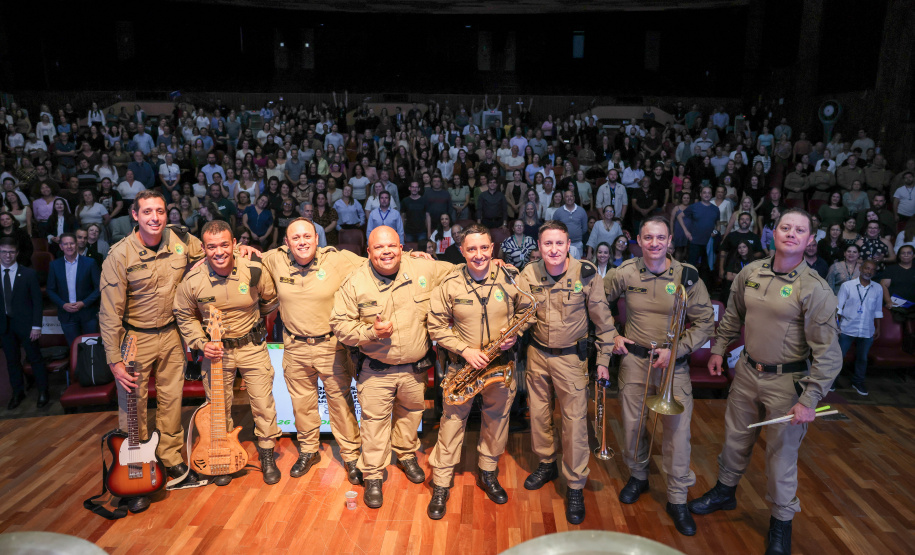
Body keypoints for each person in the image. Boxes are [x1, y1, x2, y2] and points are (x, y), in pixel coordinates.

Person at [688, 209, 841, 555]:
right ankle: (725, 492)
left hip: (787, 385)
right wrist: (718, 349)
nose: (790, 233)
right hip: (745, 373)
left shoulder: (815, 290)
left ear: (810, 240)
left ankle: (781, 523)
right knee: (735, 439)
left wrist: (810, 399)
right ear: (772, 232)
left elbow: (829, 354)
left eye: (799, 230)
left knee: (780, 457)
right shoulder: (750, 272)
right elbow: (732, 315)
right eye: (785, 227)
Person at [100, 190, 248, 513]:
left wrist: (243, 250)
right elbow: (109, 313)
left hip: (171, 334)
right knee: (133, 406)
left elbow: (215, 248)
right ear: (135, 215)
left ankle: (168, 459)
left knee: (171, 400)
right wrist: (114, 360)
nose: (155, 217)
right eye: (148, 212)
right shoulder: (119, 255)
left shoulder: (180, 241)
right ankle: (134, 471)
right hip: (134, 338)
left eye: (161, 211)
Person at [604, 215, 714, 537]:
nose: (654, 244)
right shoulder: (624, 272)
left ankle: (678, 497)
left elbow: (706, 321)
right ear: (639, 240)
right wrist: (612, 334)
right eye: (648, 238)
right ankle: (638, 476)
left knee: (678, 435)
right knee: (633, 426)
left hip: (672, 364)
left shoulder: (687, 277)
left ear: (669, 242)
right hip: (635, 362)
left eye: (660, 238)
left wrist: (677, 349)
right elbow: (597, 302)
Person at [331, 226, 454, 509]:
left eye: (391, 246)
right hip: (376, 370)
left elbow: (460, 271)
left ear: (401, 248)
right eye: (378, 247)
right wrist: (371, 332)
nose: (386, 252)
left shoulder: (424, 269)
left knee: (411, 415)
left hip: (415, 368)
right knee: (374, 425)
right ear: (369, 251)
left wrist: (493, 263)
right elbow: (340, 325)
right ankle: (373, 475)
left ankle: (407, 454)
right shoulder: (355, 282)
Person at [425, 224, 533, 519]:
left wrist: (517, 332)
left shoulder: (510, 276)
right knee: (451, 424)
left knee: (496, 422)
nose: (479, 254)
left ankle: (488, 472)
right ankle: (441, 483)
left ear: (492, 248)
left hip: (501, 366)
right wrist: (464, 350)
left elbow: (527, 310)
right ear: (462, 251)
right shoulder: (449, 284)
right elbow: (435, 326)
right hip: (463, 369)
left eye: (484, 248)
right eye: (471, 249)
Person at [519, 221, 617, 524]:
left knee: (574, 425)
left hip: (571, 359)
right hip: (536, 355)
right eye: (547, 244)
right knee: (538, 415)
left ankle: (575, 484)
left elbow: (604, 323)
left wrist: (603, 360)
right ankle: (546, 462)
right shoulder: (528, 273)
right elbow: (521, 315)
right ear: (539, 245)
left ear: (569, 244)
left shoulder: (585, 273)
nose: (553, 250)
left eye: (559, 243)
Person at [174, 219, 281, 486]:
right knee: (218, 406)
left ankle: (267, 454)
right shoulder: (193, 280)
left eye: (224, 244)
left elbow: (270, 300)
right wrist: (200, 342)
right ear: (202, 248)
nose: (219, 252)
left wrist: (254, 327)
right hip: (216, 352)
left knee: (262, 403)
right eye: (211, 247)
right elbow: (184, 315)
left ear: (235, 244)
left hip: (252, 347)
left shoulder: (254, 270)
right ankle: (221, 454)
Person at [261, 218, 364, 484]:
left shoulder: (338, 260)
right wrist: (243, 250)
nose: (302, 242)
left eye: (307, 236)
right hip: (294, 347)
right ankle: (308, 451)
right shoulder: (275, 260)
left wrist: (412, 256)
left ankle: (351, 455)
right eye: (296, 238)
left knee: (341, 404)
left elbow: (378, 260)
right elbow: (241, 258)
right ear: (286, 243)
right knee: (302, 405)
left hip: (331, 346)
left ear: (317, 238)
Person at [0, 238, 48, 409]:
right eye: (4, 251)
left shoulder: (28, 274)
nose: (7, 255)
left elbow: (37, 302)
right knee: (12, 361)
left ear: (17, 253)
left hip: (27, 326)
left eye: (11, 252)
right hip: (5, 327)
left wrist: (37, 326)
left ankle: (43, 392)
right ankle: (17, 392)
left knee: (35, 359)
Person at [835, 259, 881, 396]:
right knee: (838, 357)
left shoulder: (877, 288)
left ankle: (858, 381)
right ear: (861, 269)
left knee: (862, 358)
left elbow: (878, 310)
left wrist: (878, 328)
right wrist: (836, 326)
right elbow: (838, 308)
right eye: (867, 268)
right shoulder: (847, 286)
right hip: (847, 328)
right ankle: (832, 381)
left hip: (867, 329)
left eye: (872, 269)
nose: (869, 271)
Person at [47, 233, 101, 346]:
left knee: (92, 347)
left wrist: (84, 303)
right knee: (74, 347)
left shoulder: (90, 263)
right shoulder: (54, 265)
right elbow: (50, 290)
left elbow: (99, 288)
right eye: (65, 244)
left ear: (76, 245)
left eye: (71, 243)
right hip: (66, 314)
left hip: (87, 313)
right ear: (61, 247)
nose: (69, 246)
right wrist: (63, 304)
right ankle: (76, 365)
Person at [880, 245, 915, 354]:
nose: (905, 255)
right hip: (896, 306)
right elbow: (883, 285)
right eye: (903, 253)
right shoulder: (892, 269)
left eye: (909, 253)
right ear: (899, 256)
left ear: (914, 255)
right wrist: (888, 301)